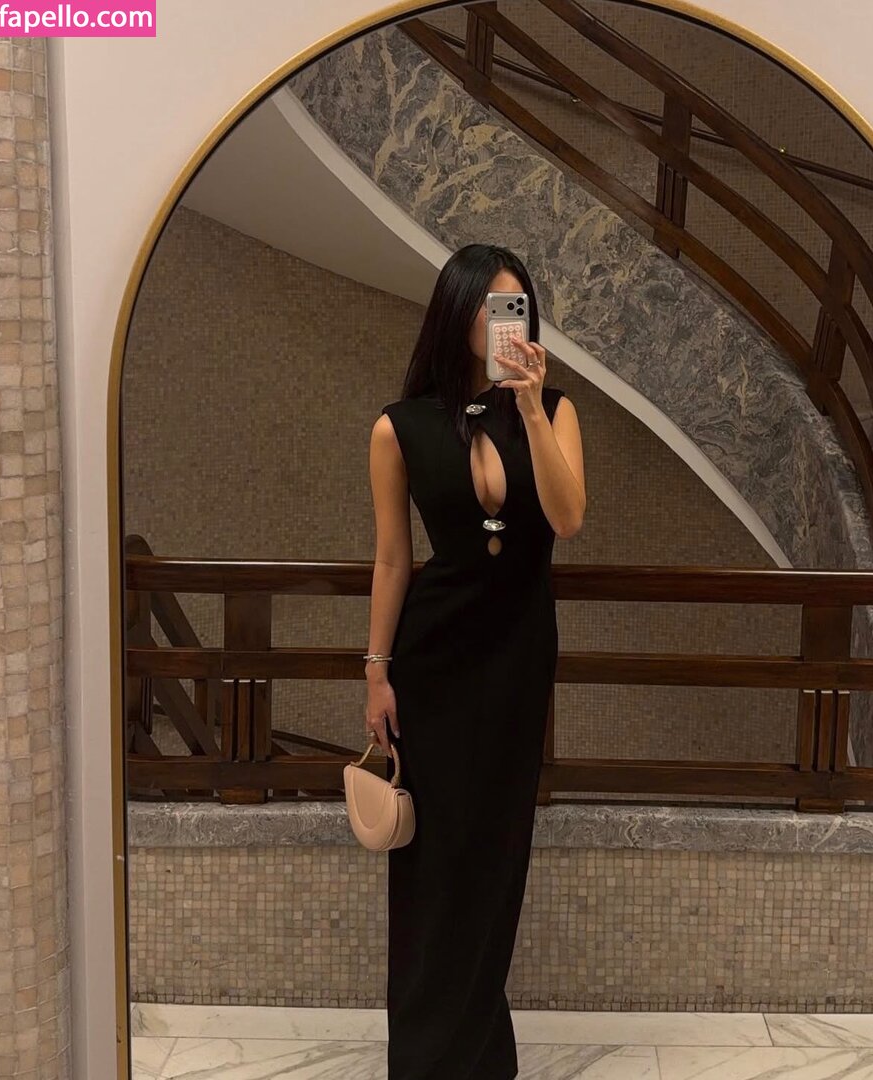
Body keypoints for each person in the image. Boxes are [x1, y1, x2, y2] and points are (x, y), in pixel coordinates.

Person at [365, 243, 587, 1079]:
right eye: (493, 308)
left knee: (497, 855)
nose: (507, 324)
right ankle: (424, 1058)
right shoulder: (399, 426)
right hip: (433, 661)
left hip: (517, 657)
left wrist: (529, 408)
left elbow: (567, 520)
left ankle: (483, 1057)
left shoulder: (555, 410)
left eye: (517, 307)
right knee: (434, 861)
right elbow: (393, 558)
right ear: (458, 314)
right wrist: (375, 671)